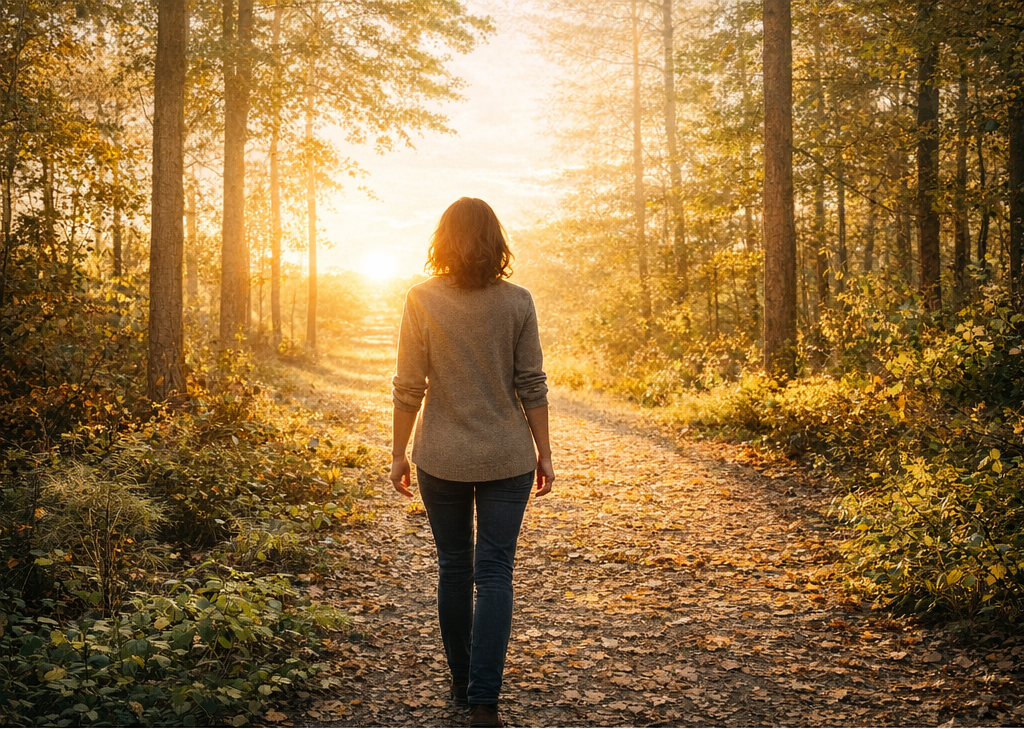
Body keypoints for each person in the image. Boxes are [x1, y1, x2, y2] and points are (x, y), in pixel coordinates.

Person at [390, 197, 555, 728]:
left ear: (442, 240)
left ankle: (462, 681)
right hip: (508, 456)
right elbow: (531, 383)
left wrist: (398, 453)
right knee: (495, 572)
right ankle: (484, 700)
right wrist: (544, 452)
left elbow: (408, 386)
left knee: (455, 567)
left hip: (440, 457)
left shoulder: (421, 299)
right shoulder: (518, 301)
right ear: (496, 241)